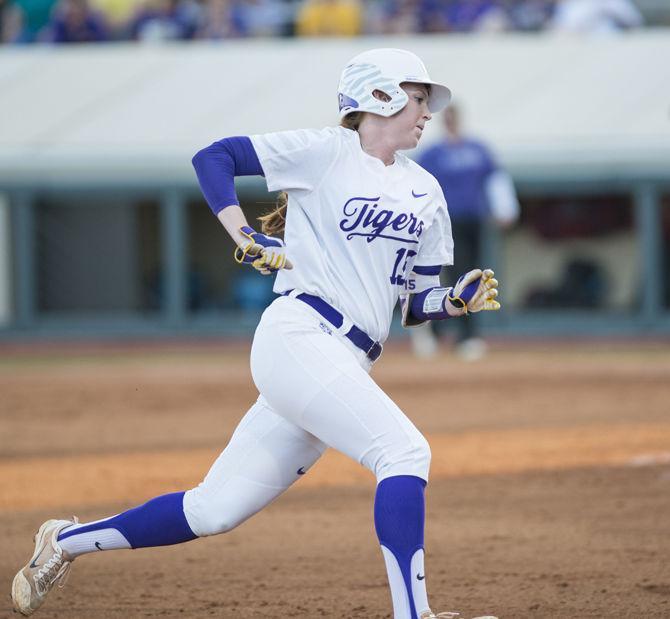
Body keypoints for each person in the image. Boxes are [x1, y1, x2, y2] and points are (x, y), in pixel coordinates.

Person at [11, 48, 500, 619]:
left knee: (212, 511)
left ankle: (63, 542)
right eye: (419, 98)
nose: (427, 112)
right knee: (404, 451)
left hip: (345, 359)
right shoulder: (326, 151)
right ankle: (413, 615)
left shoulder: (427, 191)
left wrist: (454, 301)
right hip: (301, 335)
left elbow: (415, 303)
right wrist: (241, 231)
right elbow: (213, 156)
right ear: (381, 95)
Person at [412, 103, 518, 360]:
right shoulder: (433, 154)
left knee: (472, 274)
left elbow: (494, 179)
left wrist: (505, 209)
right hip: (443, 223)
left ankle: (467, 335)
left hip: (473, 220)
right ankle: (435, 330)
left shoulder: (477, 149)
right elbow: (418, 185)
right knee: (442, 275)